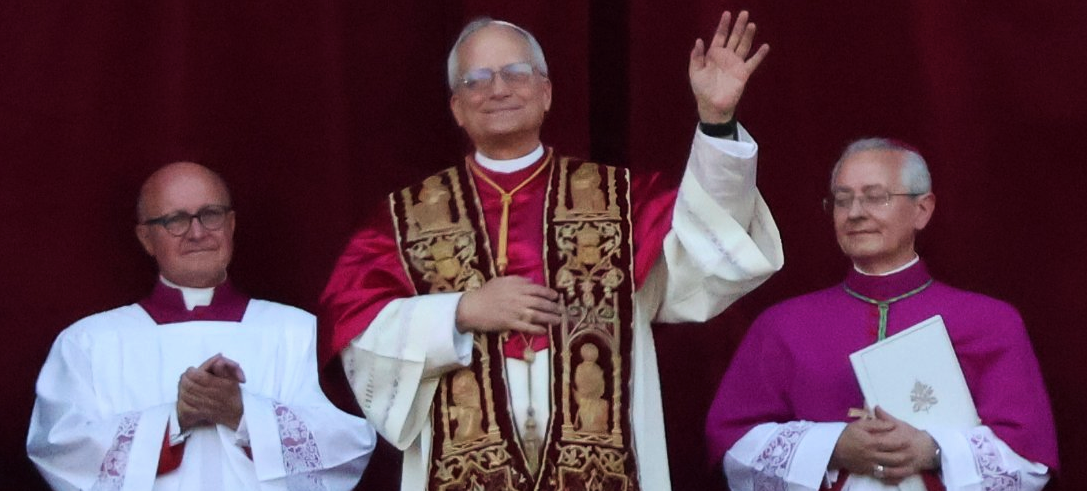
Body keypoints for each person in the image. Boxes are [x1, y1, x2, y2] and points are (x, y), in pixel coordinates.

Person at [319, 10, 783, 491]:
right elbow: (356, 333)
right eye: (477, 79)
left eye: (516, 73)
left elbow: (711, 243)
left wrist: (716, 122)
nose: (498, 89)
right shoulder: (405, 218)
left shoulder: (622, 202)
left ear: (546, 93)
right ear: (456, 107)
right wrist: (459, 312)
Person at [705, 139, 1059, 490]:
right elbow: (731, 444)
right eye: (842, 200)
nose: (855, 212)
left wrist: (933, 449)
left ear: (922, 210)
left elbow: (1029, 457)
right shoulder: (782, 325)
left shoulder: (990, 322)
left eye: (875, 197)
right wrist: (833, 446)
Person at [28, 162, 376, 490]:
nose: (196, 233)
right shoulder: (88, 342)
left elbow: (351, 442)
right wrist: (172, 420)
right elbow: (59, 448)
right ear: (146, 239)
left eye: (210, 215)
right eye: (175, 220)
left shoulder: (300, 333)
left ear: (232, 225)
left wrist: (245, 415)